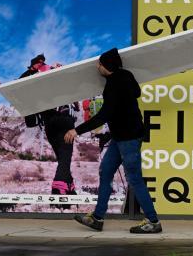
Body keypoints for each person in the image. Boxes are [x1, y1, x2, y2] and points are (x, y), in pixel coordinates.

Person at [65, 47, 162, 233]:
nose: (97, 66)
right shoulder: (126, 75)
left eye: (99, 63)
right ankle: (97, 218)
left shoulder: (113, 85)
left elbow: (103, 116)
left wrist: (76, 130)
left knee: (134, 179)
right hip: (121, 138)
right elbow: (136, 93)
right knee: (106, 171)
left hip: (129, 138)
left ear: (106, 66)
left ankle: (153, 221)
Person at [19, 54, 78, 207]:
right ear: (39, 63)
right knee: (64, 161)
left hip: (49, 125)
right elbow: (75, 102)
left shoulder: (33, 80)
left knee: (63, 161)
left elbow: (21, 82)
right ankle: (58, 197)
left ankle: (71, 194)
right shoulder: (52, 73)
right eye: (41, 63)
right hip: (64, 123)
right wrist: (58, 70)